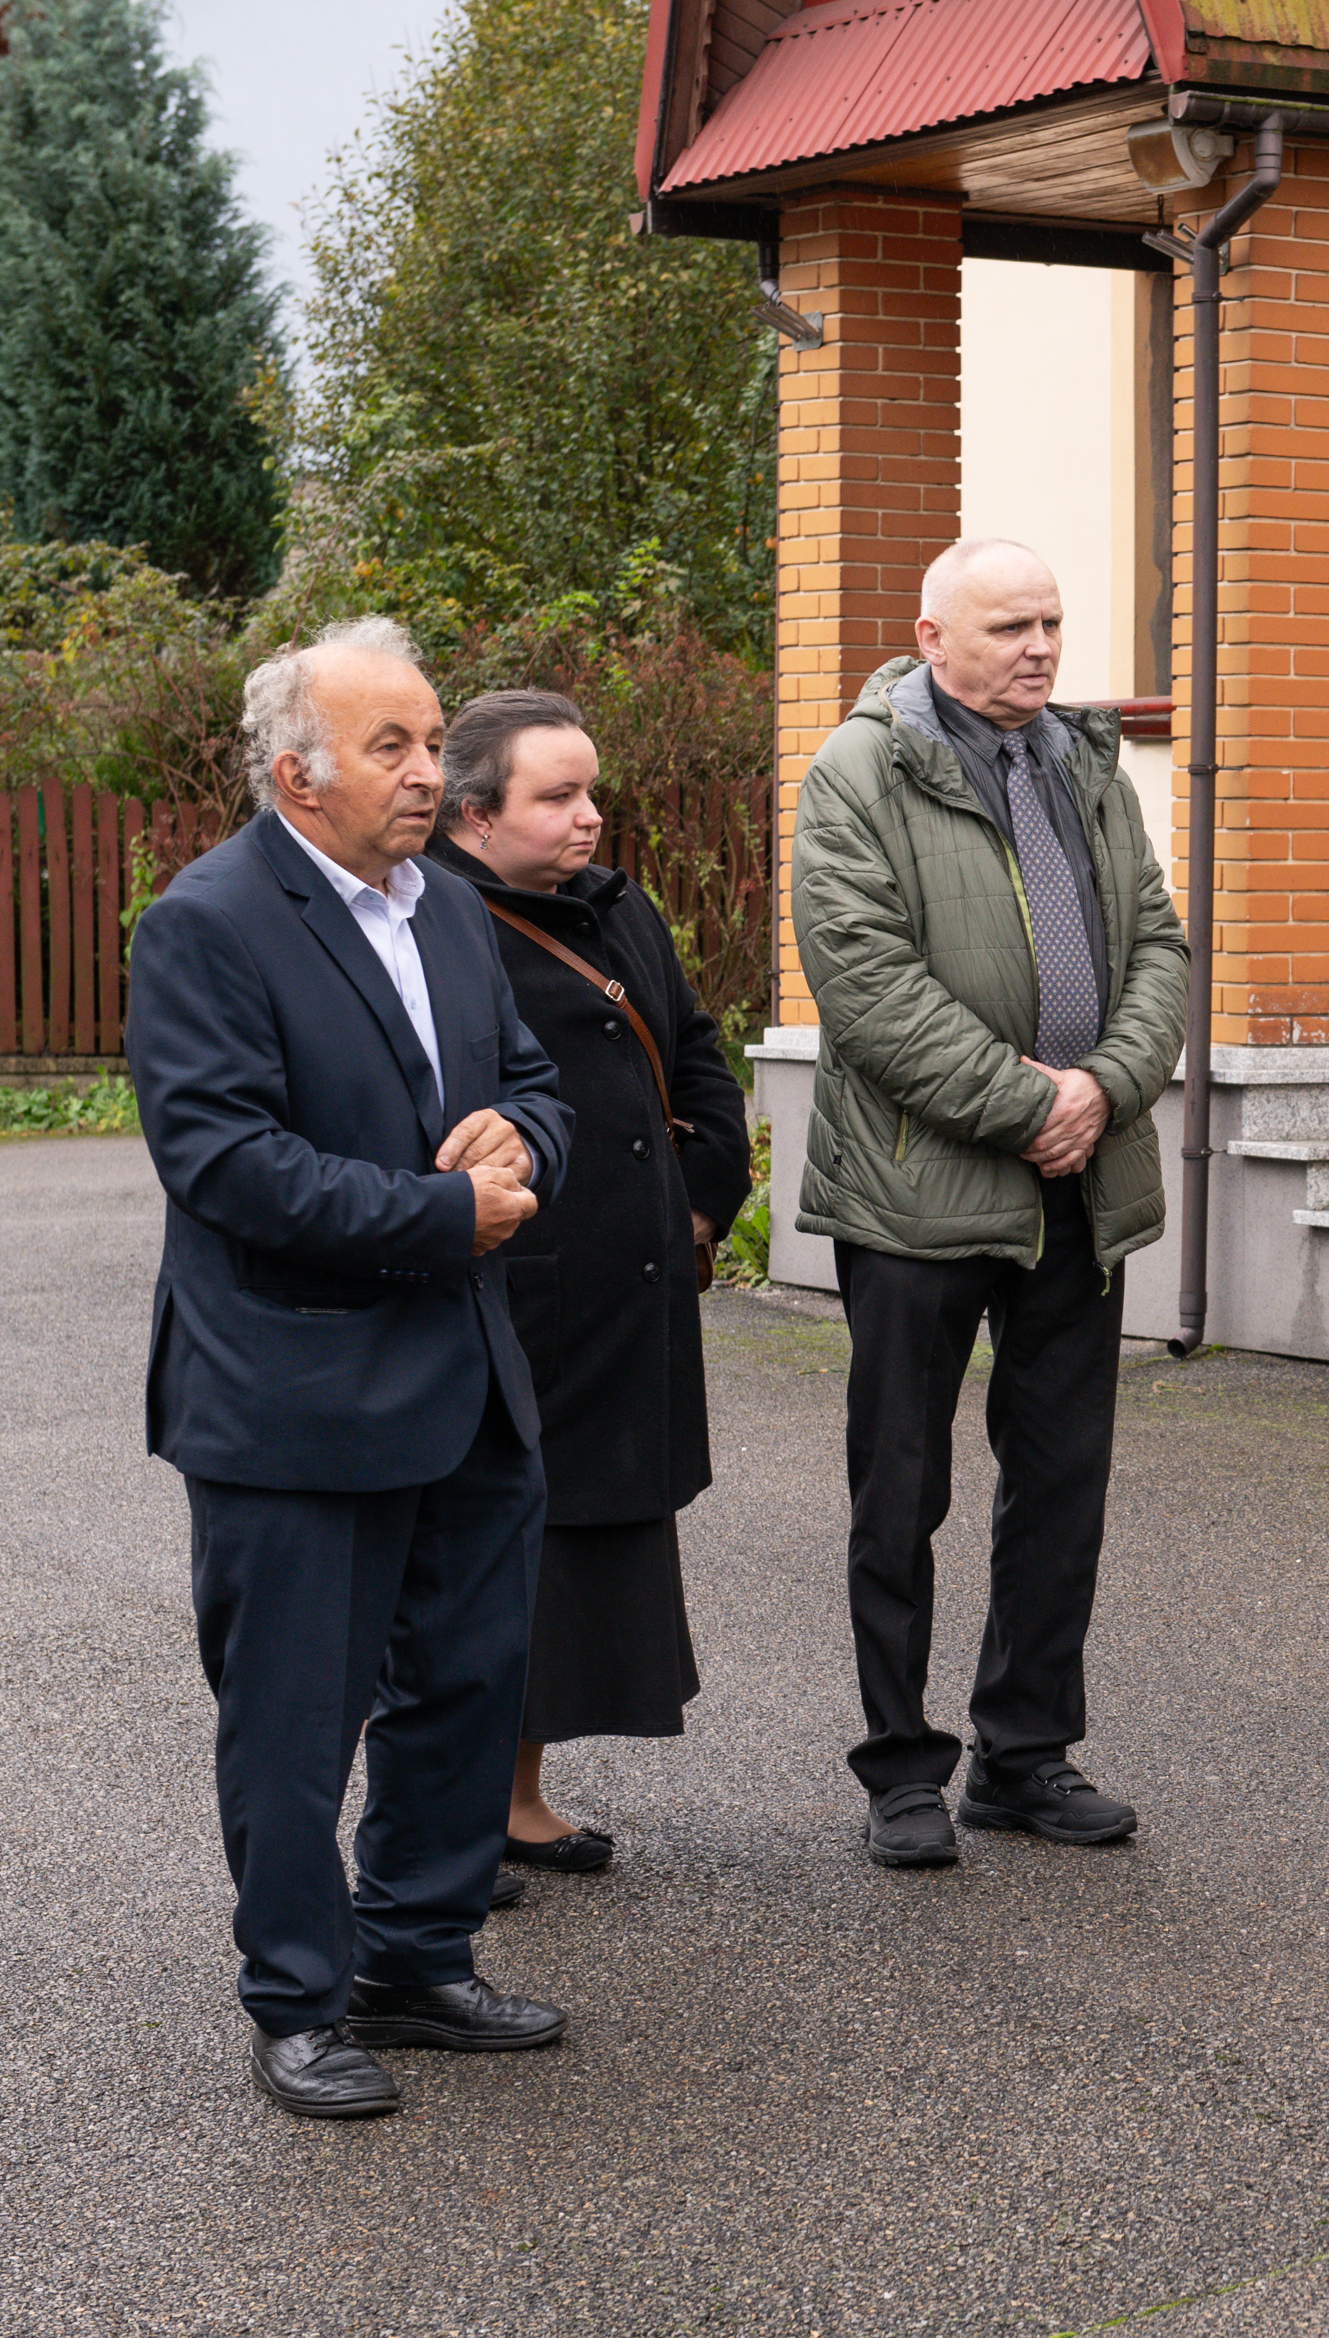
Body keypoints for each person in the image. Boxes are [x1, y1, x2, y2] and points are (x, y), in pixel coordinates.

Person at [124, 618, 576, 2119]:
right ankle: (299, 2001)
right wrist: (447, 1211)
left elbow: (526, 1080)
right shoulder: (209, 920)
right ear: (294, 774)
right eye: (392, 746)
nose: (427, 773)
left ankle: (415, 1956)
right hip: (293, 1398)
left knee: (461, 1684)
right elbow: (226, 1161)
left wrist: (525, 1141)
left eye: (434, 741)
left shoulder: (446, 907)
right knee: (294, 1719)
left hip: (462, 1379)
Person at [791, 537, 1189, 1870]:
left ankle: (1024, 1752)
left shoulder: (1084, 761)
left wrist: (1106, 1087)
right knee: (900, 1485)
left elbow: (1157, 945)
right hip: (917, 1189)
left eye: (1052, 624)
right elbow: (866, 987)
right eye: (1009, 624)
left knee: (1062, 1477)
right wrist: (1032, 1104)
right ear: (931, 633)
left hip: (1082, 1187)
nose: (1036, 647)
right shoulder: (860, 768)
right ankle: (901, 1767)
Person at [422, 690, 749, 1876]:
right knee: (496, 1561)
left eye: (592, 791)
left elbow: (697, 1048)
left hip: (633, 1293)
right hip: (524, 1298)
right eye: (557, 796)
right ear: (472, 812)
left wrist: (707, 1193)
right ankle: (452, 1817)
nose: (590, 817)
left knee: (581, 1564)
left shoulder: (616, 908)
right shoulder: (437, 926)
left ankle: (514, 1801)